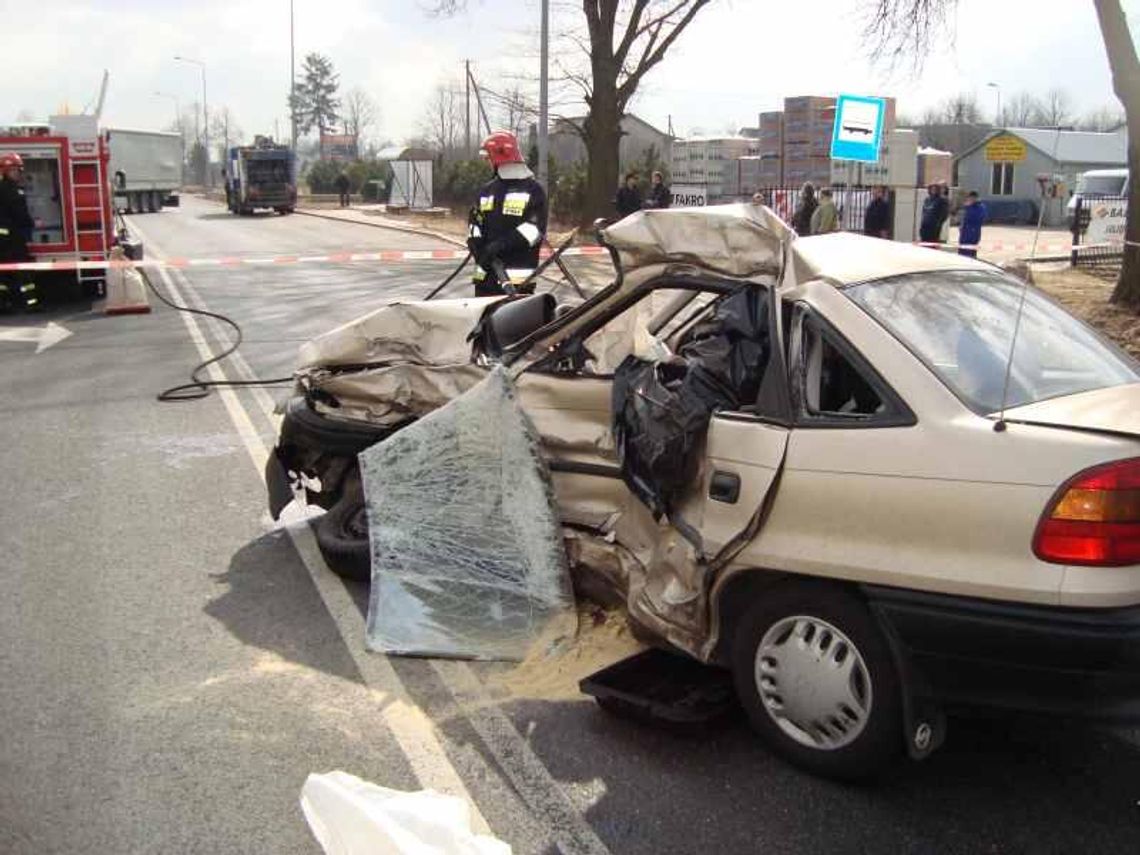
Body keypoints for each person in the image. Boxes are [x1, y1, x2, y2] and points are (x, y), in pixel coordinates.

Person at [466, 130, 548, 297]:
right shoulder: (486, 191)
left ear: (499, 156)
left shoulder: (533, 190)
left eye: (489, 158)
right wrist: (476, 244)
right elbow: (475, 223)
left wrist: (498, 246)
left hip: (518, 284)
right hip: (485, 280)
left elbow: (533, 230)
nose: (487, 163)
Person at [0, 153, 37, 312]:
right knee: (22, 272)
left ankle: (3, 305)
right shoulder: (13, 190)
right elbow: (20, 214)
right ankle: (32, 304)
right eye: (15, 170)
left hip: (2, 240)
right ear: (6, 171)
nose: (18, 173)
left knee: (2, 274)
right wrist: (33, 223)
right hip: (13, 239)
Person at [957, 191, 987, 258]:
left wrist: (969, 207)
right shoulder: (966, 207)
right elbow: (962, 217)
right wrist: (961, 226)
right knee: (962, 252)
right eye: (970, 198)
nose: (971, 199)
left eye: (973, 198)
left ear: (976, 198)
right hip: (964, 233)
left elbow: (979, 218)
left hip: (973, 233)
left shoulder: (980, 207)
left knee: (970, 253)